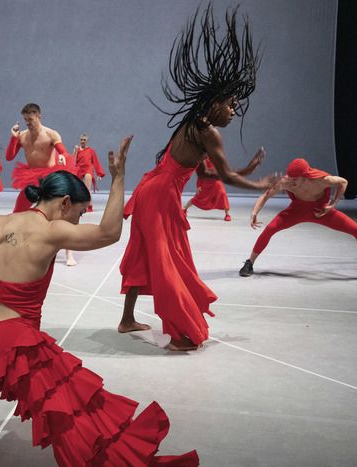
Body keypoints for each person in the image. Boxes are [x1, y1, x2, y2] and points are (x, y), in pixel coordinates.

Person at [0, 136, 198, 467]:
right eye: (80, 213)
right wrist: (117, 178)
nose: (78, 222)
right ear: (64, 203)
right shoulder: (53, 231)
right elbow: (109, 233)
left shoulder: (0, 223)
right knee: (77, 413)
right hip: (17, 343)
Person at [118, 5, 279, 350]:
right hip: (160, 195)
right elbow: (224, 177)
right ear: (215, 103)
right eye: (231, 105)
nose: (234, 111)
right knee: (168, 261)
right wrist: (259, 184)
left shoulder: (192, 125)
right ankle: (180, 334)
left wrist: (247, 170)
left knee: (146, 255)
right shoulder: (208, 132)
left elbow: (204, 171)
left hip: (153, 188)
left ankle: (127, 319)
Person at [239, 158, 357, 283]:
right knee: (270, 229)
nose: (291, 181)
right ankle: (249, 263)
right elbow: (265, 196)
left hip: (320, 212)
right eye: (289, 177)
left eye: (295, 179)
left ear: (305, 176)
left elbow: (343, 182)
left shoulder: (321, 180)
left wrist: (333, 204)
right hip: (296, 211)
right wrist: (254, 212)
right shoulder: (286, 182)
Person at [6, 103, 77, 265]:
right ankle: (16, 244)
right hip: (31, 177)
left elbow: (63, 152)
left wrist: (63, 157)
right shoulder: (22, 136)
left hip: (50, 177)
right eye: (25, 120)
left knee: (61, 214)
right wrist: (13, 138)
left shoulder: (51, 134)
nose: (28, 123)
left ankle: (69, 252)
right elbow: (9, 157)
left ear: (39, 116)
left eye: (30, 119)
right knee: (18, 211)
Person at [183, 149, 265, 221]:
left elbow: (224, 168)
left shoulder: (217, 157)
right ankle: (184, 209)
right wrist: (199, 185)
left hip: (216, 180)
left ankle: (227, 214)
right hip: (205, 181)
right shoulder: (202, 157)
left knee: (222, 194)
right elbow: (201, 173)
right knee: (198, 197)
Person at [74, 133, 105, 212]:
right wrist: (75, 152)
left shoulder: (91, 151)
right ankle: (79, 205)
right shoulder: (77, 150)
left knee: (87, 188)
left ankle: (88, 205)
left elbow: (96, 162)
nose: (82, 141)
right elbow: (73, 161)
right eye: (81, 140)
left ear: (87, 141)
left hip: (88, 169)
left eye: (84, 140)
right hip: (79, 170)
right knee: (78, 189)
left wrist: (99, 174)